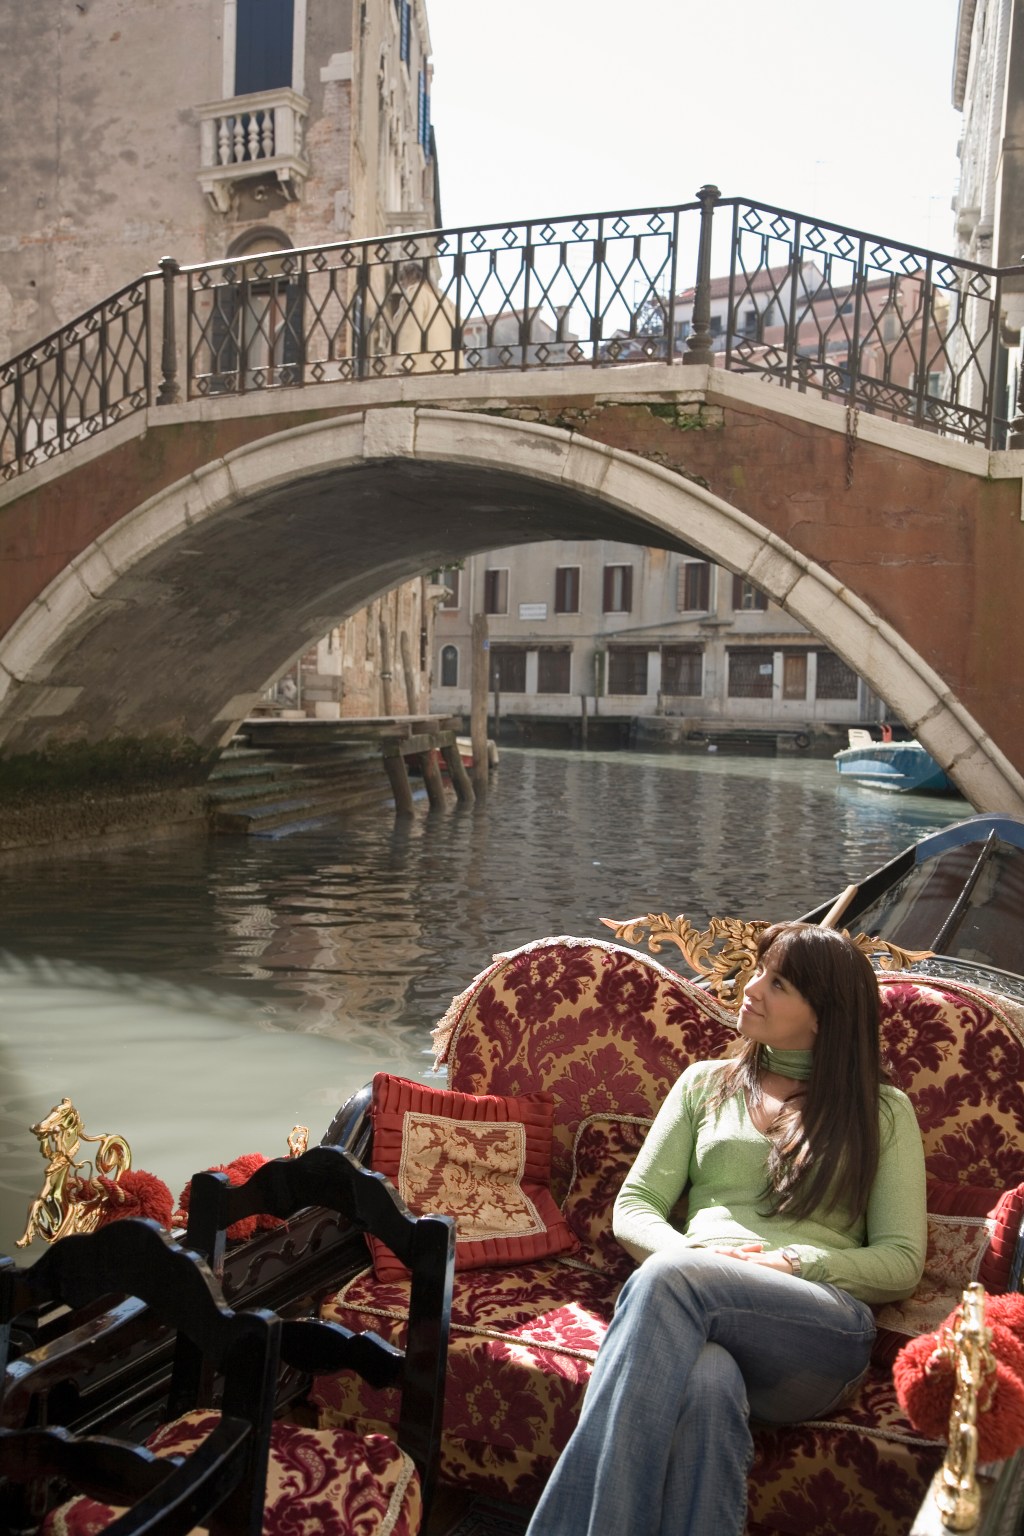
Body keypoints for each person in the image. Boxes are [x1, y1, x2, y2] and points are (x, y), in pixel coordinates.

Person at [525, 921, 927, 1536]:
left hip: (816, 1330)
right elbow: (634, 1206)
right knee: (709, 1380)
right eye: (758, 968)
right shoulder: (703, 1084)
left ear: (822, 1015)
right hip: (694, 1307)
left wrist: (794, 1263)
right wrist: (695, 1262)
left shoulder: (883, 1110)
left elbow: (901, 1260)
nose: (751, 986)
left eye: (778, 981)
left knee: (673, 1283)